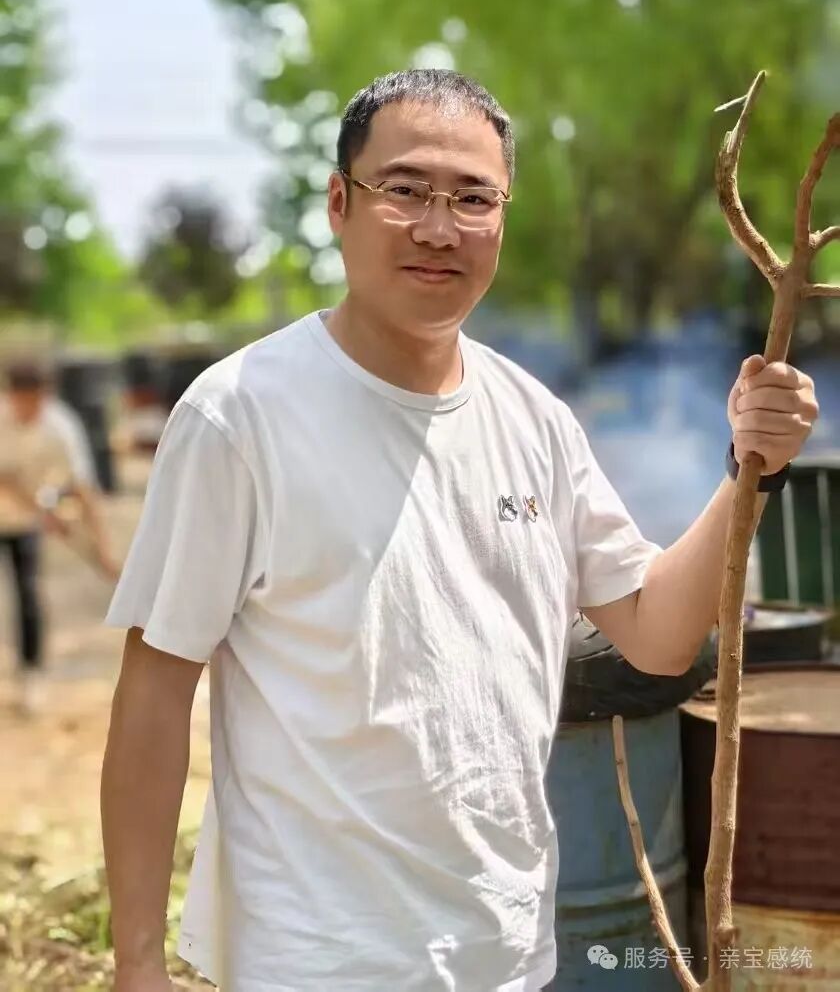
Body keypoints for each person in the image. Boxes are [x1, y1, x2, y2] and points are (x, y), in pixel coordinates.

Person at [100, 69, 819, 992]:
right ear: (339, 204)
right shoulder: (240, 417)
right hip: (316, 960)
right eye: (405, 190)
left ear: (502, 218)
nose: (439, 228)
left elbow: (655, 633)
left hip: (506, 949)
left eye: (474, 199)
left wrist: (748, 468)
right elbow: (155, 692)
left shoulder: (533, 420)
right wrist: (137, 965)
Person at [0, 360, 118, 714]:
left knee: (28, 592)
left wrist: (103, 548)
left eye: (34, 400)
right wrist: (42, 511)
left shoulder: (61, 427)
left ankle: (31, 672)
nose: (28, 409)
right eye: (21, 400)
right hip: (20, 509)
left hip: (22, 524)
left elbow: (84, 489)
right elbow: (5, 478)